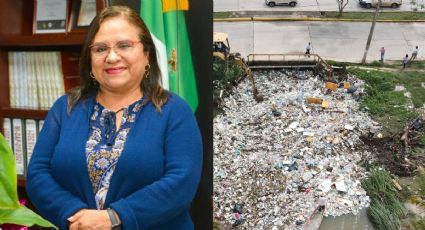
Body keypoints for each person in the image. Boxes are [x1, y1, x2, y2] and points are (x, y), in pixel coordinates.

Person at [26, 5, 202, 230]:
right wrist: (75, 216)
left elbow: (182, 182)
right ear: (90, 59)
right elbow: (38, 174)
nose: (111, 57)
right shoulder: (66, 107)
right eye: (100, 49)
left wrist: (115, 217)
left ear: (147, 54)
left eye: (124, 45)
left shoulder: (174, 111)